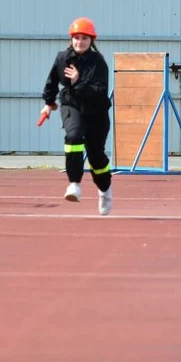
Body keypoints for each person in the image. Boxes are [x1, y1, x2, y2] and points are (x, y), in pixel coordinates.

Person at [40, 17, 114, 215]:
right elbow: (52, 81)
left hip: (96, 112)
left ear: (91, 40)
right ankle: (74, 184)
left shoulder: (99, 63)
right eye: (76, 38)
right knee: (73, 136)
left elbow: (99, 92)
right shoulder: (62, 58)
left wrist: (78, 81)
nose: (80, 42)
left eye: (84, 38)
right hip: (72, 105)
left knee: (96, 158)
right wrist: (48, 103)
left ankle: (105, 190)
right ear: (71, 39)